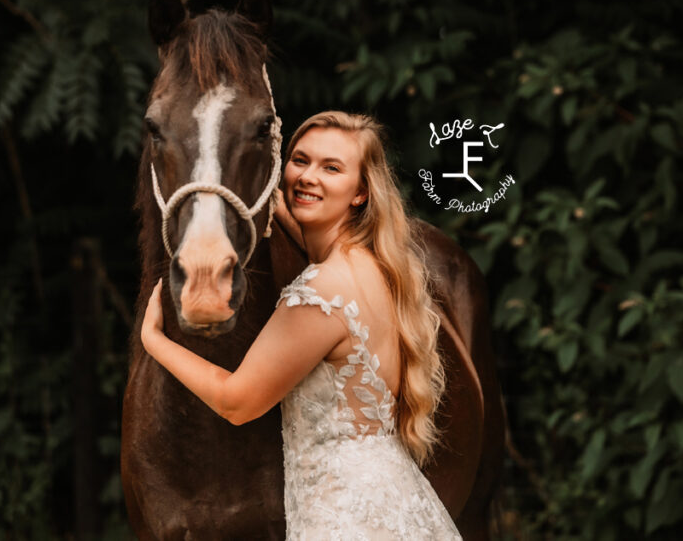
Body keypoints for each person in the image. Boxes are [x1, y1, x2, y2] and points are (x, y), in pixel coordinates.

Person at [140, 111, 461, 539]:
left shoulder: (318, 292)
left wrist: (155, 341)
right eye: (300, 160)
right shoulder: (374, 267)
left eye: (331, 168)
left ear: (360, 192)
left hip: (343, 519)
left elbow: (238, 402)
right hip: (394, 503)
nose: (308, 176)